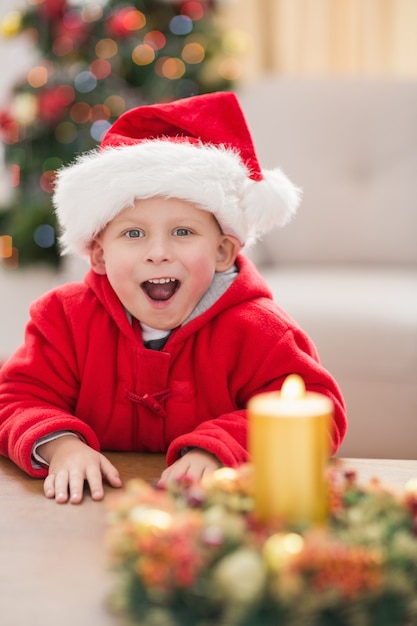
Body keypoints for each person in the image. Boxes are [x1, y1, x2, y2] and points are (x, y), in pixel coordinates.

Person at [0, 92, 347, 504]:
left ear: (223, 252)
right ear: (98, 254)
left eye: (183, 232)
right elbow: (17, 398)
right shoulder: (63, 319)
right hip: (91, 516)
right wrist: (62, 447)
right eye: (133, 233)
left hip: (208, 521)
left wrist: (218, 449)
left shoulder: (259, 329)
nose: (158, 251)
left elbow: (316, 411)